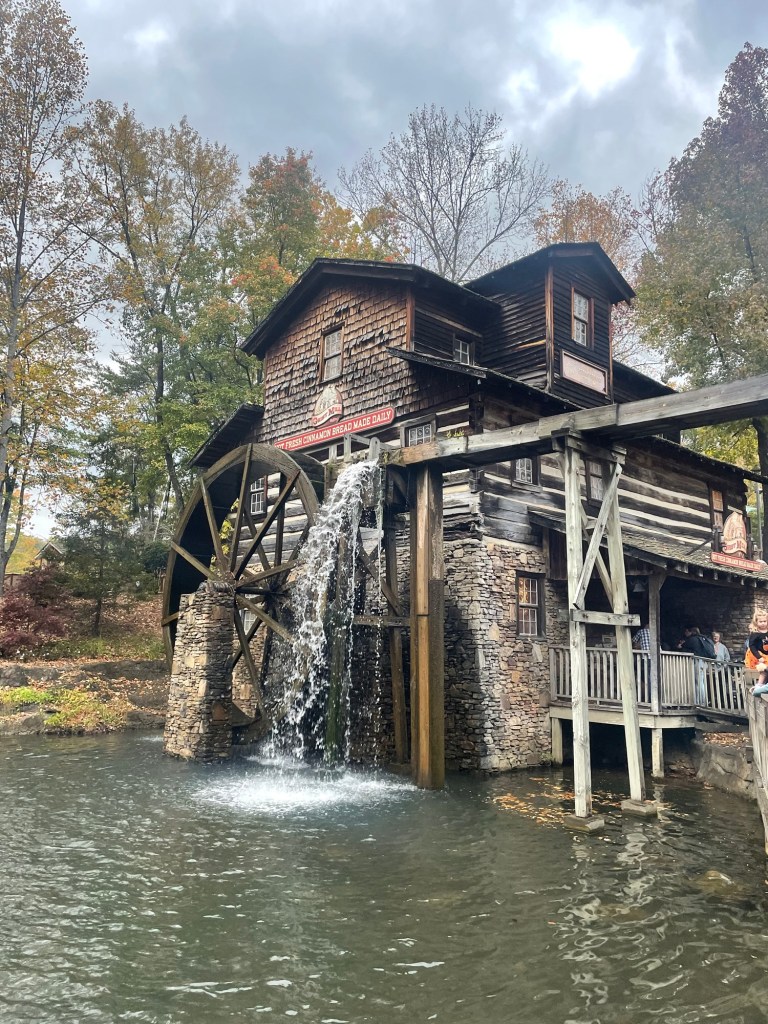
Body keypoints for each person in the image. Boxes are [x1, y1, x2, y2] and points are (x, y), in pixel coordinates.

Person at [677, 625, 713, 704]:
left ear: (691, 632)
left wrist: (681, 644)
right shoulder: (703, 639)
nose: (686, 633)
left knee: (698, 682)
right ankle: (702, 701)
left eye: (687, 631)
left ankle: (699, 702)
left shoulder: (693, 639)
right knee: (702, 682)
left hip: (698, 661)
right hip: (705, 662)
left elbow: (681, 647)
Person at [745, 611, 768, 695]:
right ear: (756, 622)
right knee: (763, 669)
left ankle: (763, 685)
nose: (763, 624)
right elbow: (752, 646)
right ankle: (759, 685)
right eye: (760, 622)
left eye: (764, 621)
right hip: (759, 654)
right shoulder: (755, 634)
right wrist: (758, 657)